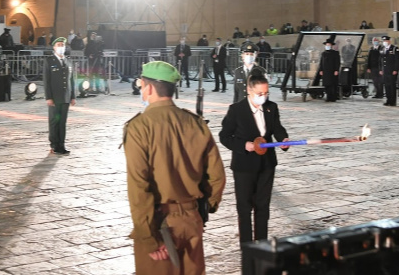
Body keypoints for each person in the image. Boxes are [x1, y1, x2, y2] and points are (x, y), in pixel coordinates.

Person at [123, 61, 226, 274]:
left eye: (142, 85)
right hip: (191, 220)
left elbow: (138, 188)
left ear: (149, 88)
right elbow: (216, 175)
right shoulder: (195, 123)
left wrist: (149, 238)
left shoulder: (139, 127)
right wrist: (205, 208)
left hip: (159, 224)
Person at [219, 74, 289, 272]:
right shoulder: (236, 110)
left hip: (267, 163)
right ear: (249, 90)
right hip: (244, 166)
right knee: (244, 207)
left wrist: (283, 140)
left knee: (263, 207)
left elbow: (277, 128)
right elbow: (225, 136)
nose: (263, 96)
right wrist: (244, 145)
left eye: (266, 93)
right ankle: (247, 247)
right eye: (259, 93)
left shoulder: (271, 107)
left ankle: (262, 245)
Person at [43, 37, 76, 155]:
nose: (61, 47)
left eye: (63, 45)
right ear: (54, 47)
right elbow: (46, 81)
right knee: (54, 122)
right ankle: (54, 145)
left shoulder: (68, 61)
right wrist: (48, 97)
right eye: (59, 45)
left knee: (62, 122)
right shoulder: (49, 61)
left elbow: (71, 80)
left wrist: (73, 96)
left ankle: (61, 145)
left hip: (65, 96)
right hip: (55, 97)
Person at [379, 35, 399, 106]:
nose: (385, 42)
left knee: (392, 85)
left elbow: (397, 60)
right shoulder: (382, 49)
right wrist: (380, 69)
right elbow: (380, 60)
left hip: (392, 70)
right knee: (387, 85)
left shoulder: (394, 49)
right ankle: (388, 100)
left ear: (389, 41)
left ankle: (393, 101)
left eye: (386, 41)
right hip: (385, 70)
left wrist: (395, 69)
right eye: (384, 41)